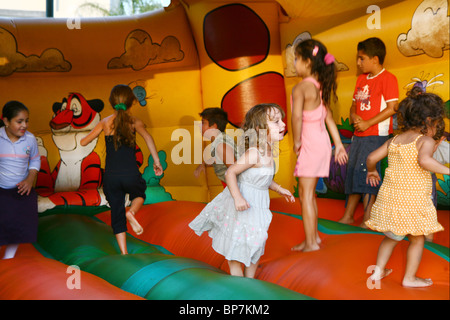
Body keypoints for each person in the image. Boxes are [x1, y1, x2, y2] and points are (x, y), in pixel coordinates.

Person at [189, 103, 295, 278]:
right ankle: (238, 281)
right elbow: (231, 172)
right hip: (244, 202)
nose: (283, 125)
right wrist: (237, 198)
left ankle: (250, 280)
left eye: (281, 120)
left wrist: (279, 188)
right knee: (238, 243)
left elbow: (262, 178)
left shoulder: (268, 151)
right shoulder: (254, 153)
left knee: (257, 241)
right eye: (276, 121)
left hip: (259, 204)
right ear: (259, 128)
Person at [365, 88, 448, 287]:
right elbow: (425, 161)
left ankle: (378, 272)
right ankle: (409, 278)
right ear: (429, 121)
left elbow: (371, 158)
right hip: (412, 201)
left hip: (391, 200)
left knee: (391, 238)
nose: (436, 129)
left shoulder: (394, 140)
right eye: (436, 124)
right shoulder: (425, 140)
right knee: (417, 240)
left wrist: (371, 172)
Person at [80, 84, 163, 255]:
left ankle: (124, 253)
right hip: (131, 174)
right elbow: (148, 139)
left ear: (111, 102)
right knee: (139, 194)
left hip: (111, 177)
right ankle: (132, 212)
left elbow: (84, 142)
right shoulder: (134, 122)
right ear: (132, 103)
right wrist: (156, 162)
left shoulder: (105, 122)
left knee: (116, 211)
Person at [290, 39, 348, 252]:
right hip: (322, 143)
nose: (294, 63)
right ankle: (312, 238)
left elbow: (296, 118)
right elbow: (329, 118)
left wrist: (297, 141)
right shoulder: (319, 86)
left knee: (305, 195)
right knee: (309, 193)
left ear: (307, 62)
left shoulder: (302, 87)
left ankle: (311, 242)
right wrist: (339, 145)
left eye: (296, 59)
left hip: (311, 145)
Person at [338, 37, 399, 227]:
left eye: (361, 58)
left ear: (375, 58)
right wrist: (355, 116)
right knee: (353, 172)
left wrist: (367, 123)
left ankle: (368, 218)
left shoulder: (388, 78)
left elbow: (392, 108)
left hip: (375, 136)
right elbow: (354, 105)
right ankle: (349, 215)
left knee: (368, 174)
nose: (358, 63)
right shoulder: (361, 79)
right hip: (359, 136)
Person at [0, 101, 40, 259]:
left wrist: (30, 179)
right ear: (6, 121)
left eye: (27, 120)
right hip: (2, 188)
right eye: (19, 121)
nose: (24, 125)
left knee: (21, 220)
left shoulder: (30, 139)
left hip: (21, 188)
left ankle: (9, 254)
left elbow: (35, 160)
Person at [194, 108, 236, 187]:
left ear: (214, 126)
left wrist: (235, 196)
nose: (200, 126)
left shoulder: (221, 145)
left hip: (236, 188)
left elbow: (235, 170)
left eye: (203, 123)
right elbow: (220, 159)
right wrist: (204, 164)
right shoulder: (218, 142)